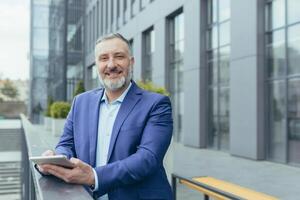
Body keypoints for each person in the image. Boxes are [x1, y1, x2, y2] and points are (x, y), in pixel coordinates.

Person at [38, 33, 173, 200]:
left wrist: (94, 176)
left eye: (119, 57)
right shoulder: (80, 102)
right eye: (103, 58)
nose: (111, 65)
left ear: (131, 62)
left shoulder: (157, 104)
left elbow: (148, 158)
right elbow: (67, 144)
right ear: (96, 65)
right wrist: (55, 162)